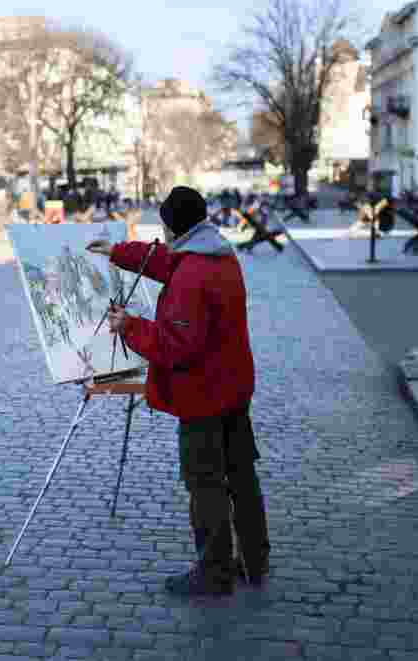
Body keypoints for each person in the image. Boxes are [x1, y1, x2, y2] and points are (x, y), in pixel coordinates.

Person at [85, 186, 271, 597]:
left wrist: (128, 325)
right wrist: (117, 251)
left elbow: (174, 347)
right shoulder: (214, 254)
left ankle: (214, 573)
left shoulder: (192, 275)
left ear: (173, 226)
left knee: (206, 484)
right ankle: (255, 561)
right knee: (241, 475)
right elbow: (166, 262)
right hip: (233, 390)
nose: (163, 234)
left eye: (164, 226)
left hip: (204, 397)